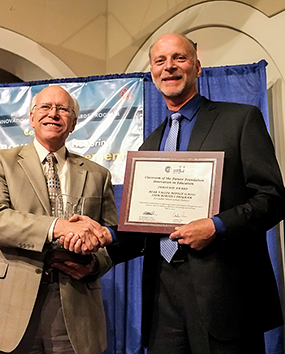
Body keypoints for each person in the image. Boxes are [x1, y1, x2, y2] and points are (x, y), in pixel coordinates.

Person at [63, 33, 285, 353]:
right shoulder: (150, 145)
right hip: (162, 297)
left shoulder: (239, 120)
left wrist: (216, 226)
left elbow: (273, 198)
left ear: (197, 66)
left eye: (179, 58)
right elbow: (145, 228)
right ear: (153, 73)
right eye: (160, 61)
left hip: (225, 298)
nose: (169, 67)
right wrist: (105, 235)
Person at [0, 85, 117, 354]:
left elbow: (109, 237)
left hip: (74, 303)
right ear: (32, 118)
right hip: (12, 301)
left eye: (62, 109)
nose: (53, 114)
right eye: (45, 107)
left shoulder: (98, 175)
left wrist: (93, 265)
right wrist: (57, 227)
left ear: (73, 123)